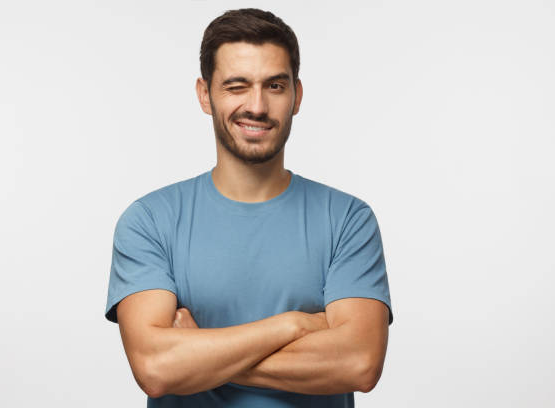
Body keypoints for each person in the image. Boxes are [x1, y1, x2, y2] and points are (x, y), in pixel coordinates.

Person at [105, 8, 393, 407]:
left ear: (297, 96)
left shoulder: (347, 220)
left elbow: (359, 362)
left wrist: (197, 352)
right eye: (236, 86)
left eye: (274, 86)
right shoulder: (150, 222)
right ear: (205, 95)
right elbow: (155, 368)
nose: (257, 106)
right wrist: (293, 325)